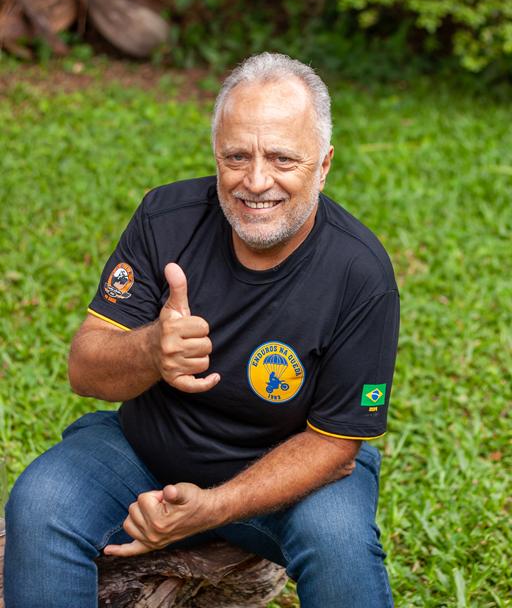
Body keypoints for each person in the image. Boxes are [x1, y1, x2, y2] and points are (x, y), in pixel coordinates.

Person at [4, 52, 400, 607]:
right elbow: (85, 370)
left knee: (340, 545)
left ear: (324, 163)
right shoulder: (166, 218)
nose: (256, 181)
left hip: (287, 477)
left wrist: (212, 507)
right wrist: (150, 349)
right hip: (145, 454)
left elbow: (335, 444)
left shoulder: (361, 273)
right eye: (236, 156)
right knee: (42, 501)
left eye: (283, 158)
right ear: (216, 154)